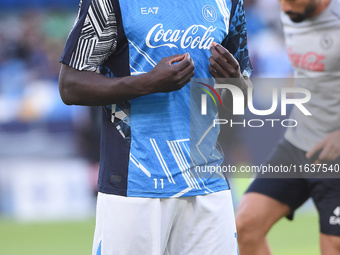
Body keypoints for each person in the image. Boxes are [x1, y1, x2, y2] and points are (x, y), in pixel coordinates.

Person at [58, 0, 252, 254]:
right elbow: (70, 84)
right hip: (134, 184)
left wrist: (234, 83)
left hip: (208, 183)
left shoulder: (228, 3)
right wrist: (148, 82)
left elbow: (243, 98)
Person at [236, 0, 340, 254]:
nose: (283, 7)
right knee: (245, 226)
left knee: (333, 246)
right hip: (297, 145)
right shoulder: (291, 15)